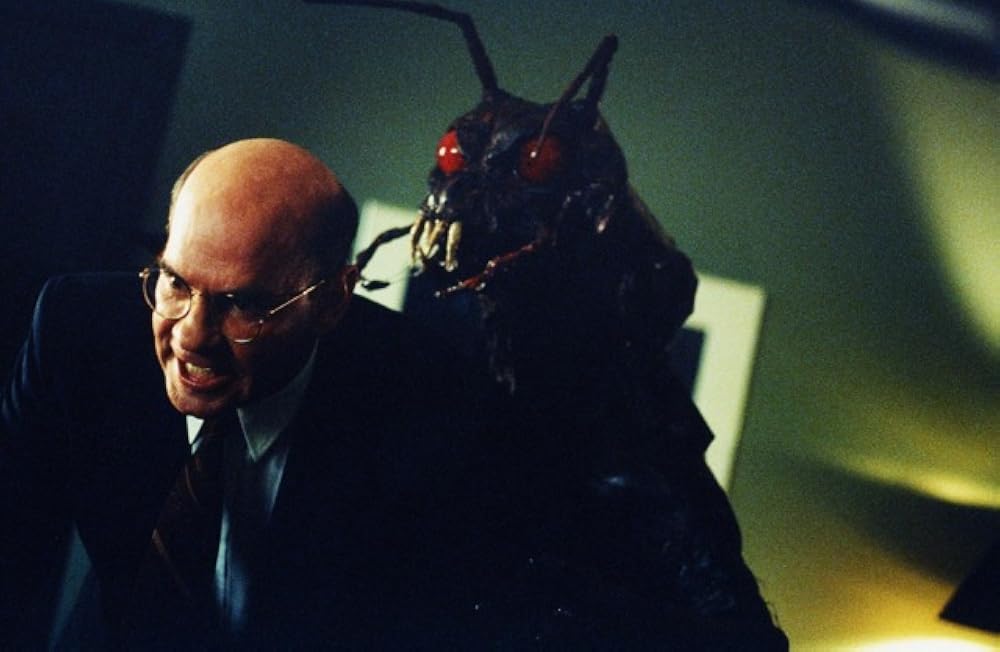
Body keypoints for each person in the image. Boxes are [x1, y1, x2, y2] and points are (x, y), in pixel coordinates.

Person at [1, 138, 786, 649]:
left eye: (243, 304)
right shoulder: (77, 329)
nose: (191, 335)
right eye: (175, 283)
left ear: (331, 299)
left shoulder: (436, 408)